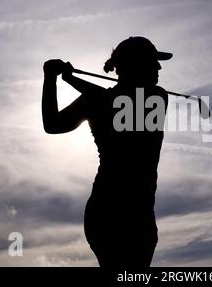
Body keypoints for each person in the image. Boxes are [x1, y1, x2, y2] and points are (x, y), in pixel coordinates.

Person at [42, 37, 172, 267]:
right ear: (135, 65)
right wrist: (50, 80)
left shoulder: (157, 97)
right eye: (153, 62)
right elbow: (52, 125)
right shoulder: (98, 99)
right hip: (108, 213)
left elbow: (117, 102)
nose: (159, 67)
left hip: (141, 215)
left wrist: (71, 79)